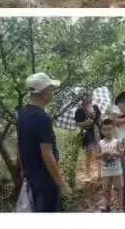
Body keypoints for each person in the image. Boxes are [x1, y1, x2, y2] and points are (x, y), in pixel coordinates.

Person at [16, 72, 69, 212]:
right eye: (51, 89)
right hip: (46, 180)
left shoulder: (22, 114)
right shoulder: (43, 118)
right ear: (44, 93)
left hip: (31, 177)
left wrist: (23, 169)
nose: (53, 93)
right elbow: (47, 155)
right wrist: (62, 184)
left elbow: (19, 145)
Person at [95, 118, 124, 212]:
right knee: (106, 189)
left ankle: (120, 207)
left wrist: (116, 154)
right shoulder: (100, 143)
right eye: (105, 129)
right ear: (101, 131)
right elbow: (96, 156)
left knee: (118, 189)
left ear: (114, 129)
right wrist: (102, 154)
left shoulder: (117, 142)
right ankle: (107, 206)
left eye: (110, 129)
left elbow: (122, 155)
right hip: (105, 171)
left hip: (117, 171)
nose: (107, 131)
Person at [74, 91, 102, 180]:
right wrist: (84, 123)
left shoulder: (95, 107)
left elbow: (100, 118)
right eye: (88, 95)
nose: (90, 97)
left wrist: (100, 121)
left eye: (91, 95)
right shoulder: (79, 110)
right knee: (89, 153)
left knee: (100, 152)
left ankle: (100, 173)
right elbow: (77, 124)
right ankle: (88, 172)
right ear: (83, 97)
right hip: (87, 133)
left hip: (98, 131)